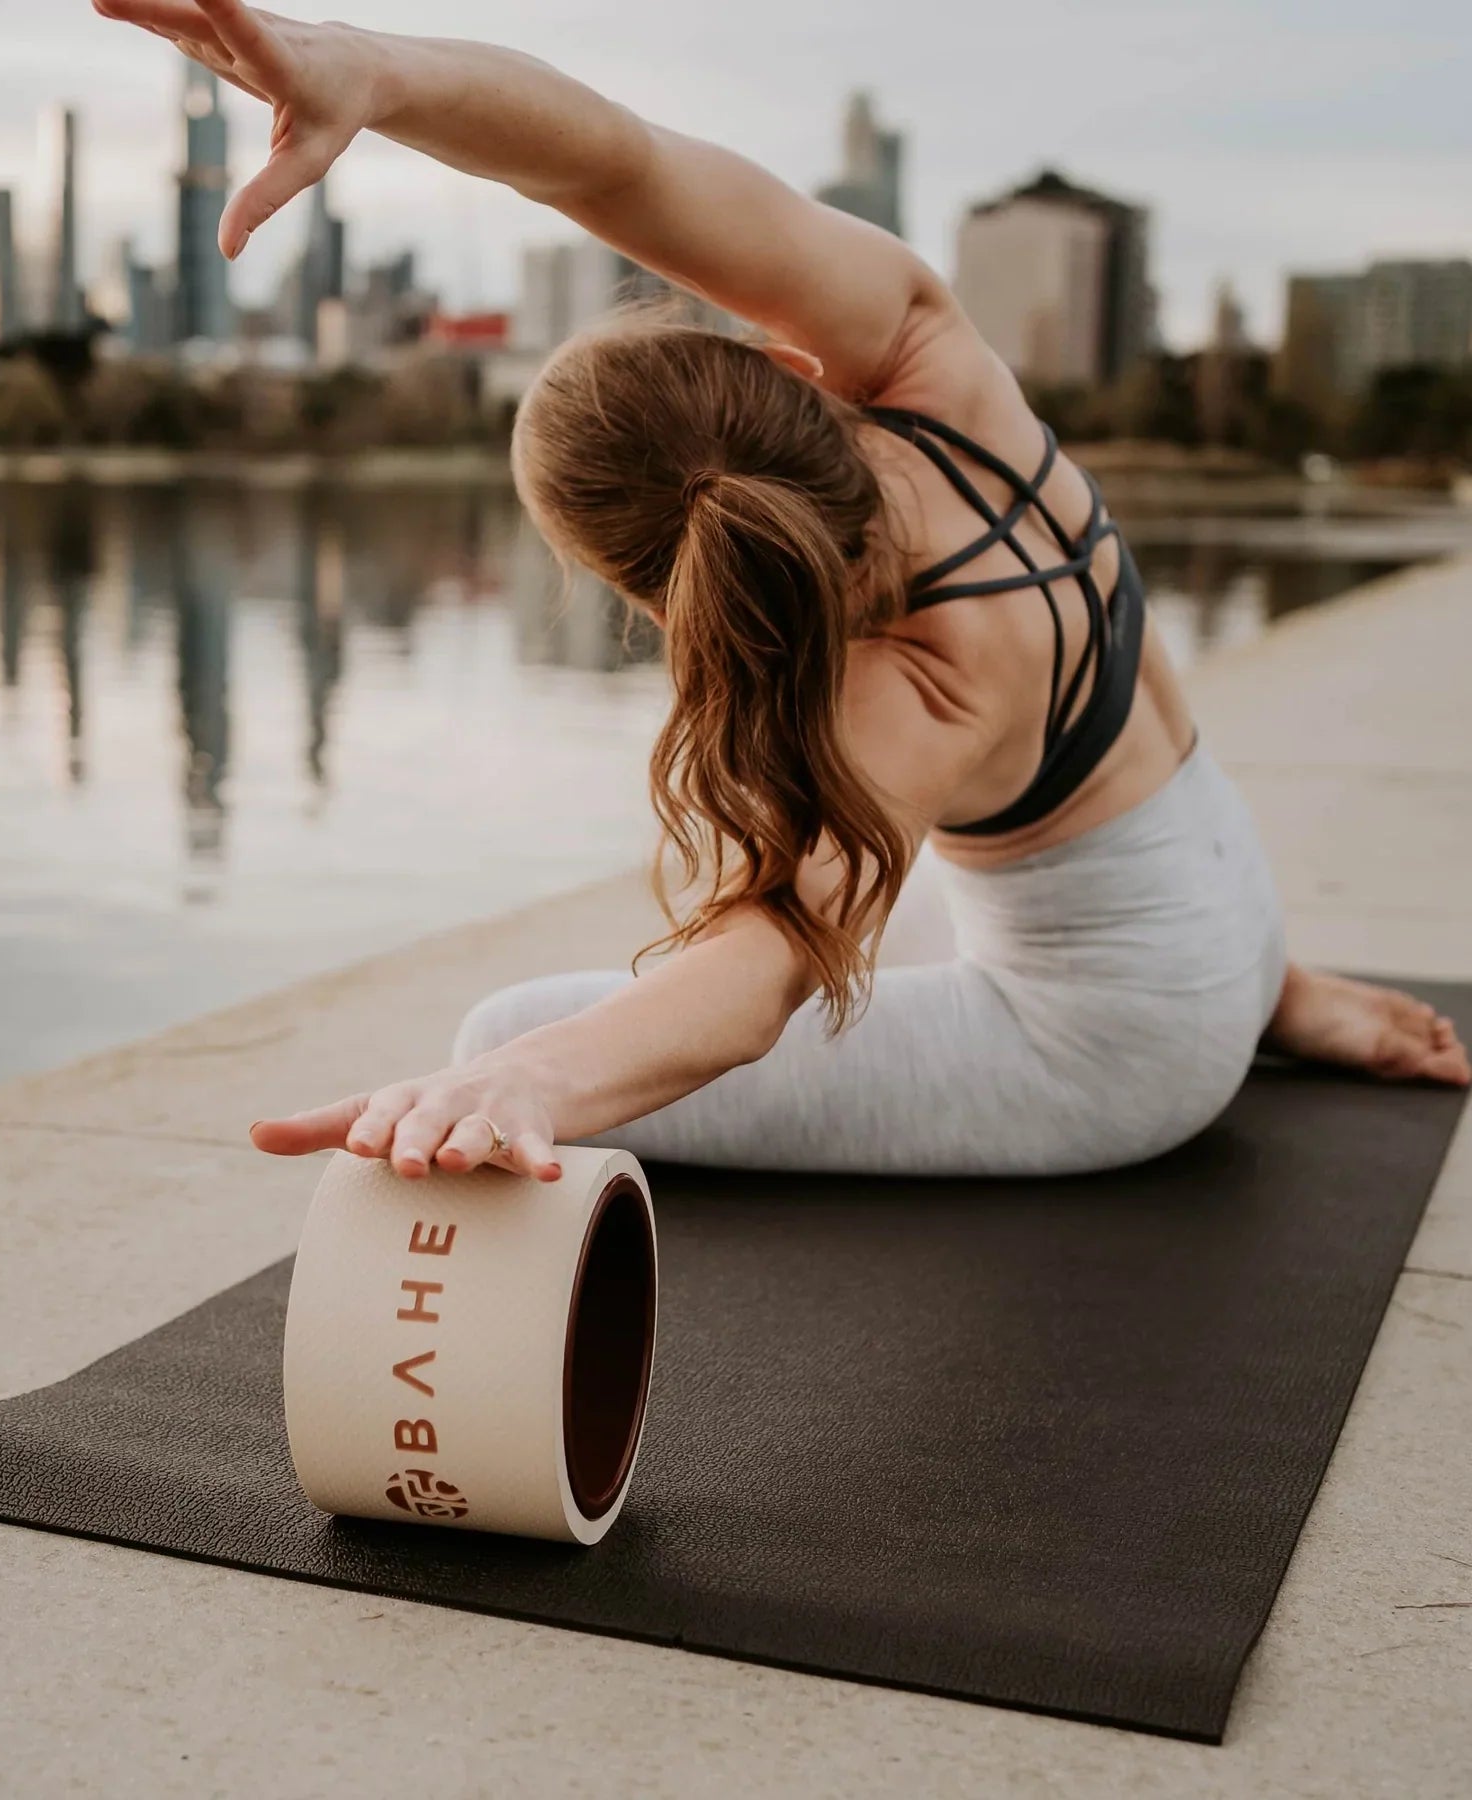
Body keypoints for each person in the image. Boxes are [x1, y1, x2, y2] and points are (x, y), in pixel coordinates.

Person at [99, 2, 1470, 1183]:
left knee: (504, 1028)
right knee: (870, 891)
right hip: (1223, 899)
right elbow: (611, 159)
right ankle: (1268, 995)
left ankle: (1236, 1014)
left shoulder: (914, 684)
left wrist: (528, 1085)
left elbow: (759, 978)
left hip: (1123, 1053)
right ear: (783, 375)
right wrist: (371, 70)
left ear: (656, 600)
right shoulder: (939, 371)